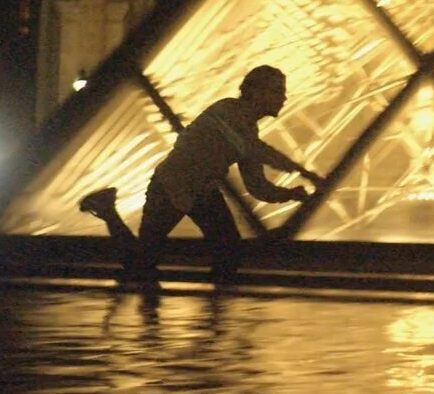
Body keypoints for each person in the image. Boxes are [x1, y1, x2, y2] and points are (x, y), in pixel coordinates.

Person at [79, 65, 320, 287]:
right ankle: (107, 209)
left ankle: (216, 308)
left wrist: (290, 193)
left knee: (228, 251)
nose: (284, 98)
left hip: (201, 191)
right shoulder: (227, 111)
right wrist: (302, 171)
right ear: (255, 92)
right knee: (143, 263)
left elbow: (257, 186)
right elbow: (252, 149)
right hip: (172, 186)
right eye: (277, 91)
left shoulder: (246, 130)